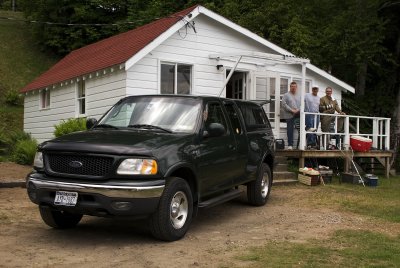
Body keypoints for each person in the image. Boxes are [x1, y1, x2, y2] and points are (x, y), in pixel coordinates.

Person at [281, 81, 300, 150]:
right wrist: (291, 110)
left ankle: (300, 144)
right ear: (290, 87)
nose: (293, 88)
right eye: (292, 87)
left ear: (296, 87)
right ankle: (290, 145)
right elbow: (283, 104)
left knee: (301, 129)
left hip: (298, 114)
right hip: (289, 114)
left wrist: (298, 110)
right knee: (290, 130)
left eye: (294, 87)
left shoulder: (299, 95)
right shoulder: (286, 95)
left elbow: (302, 104)